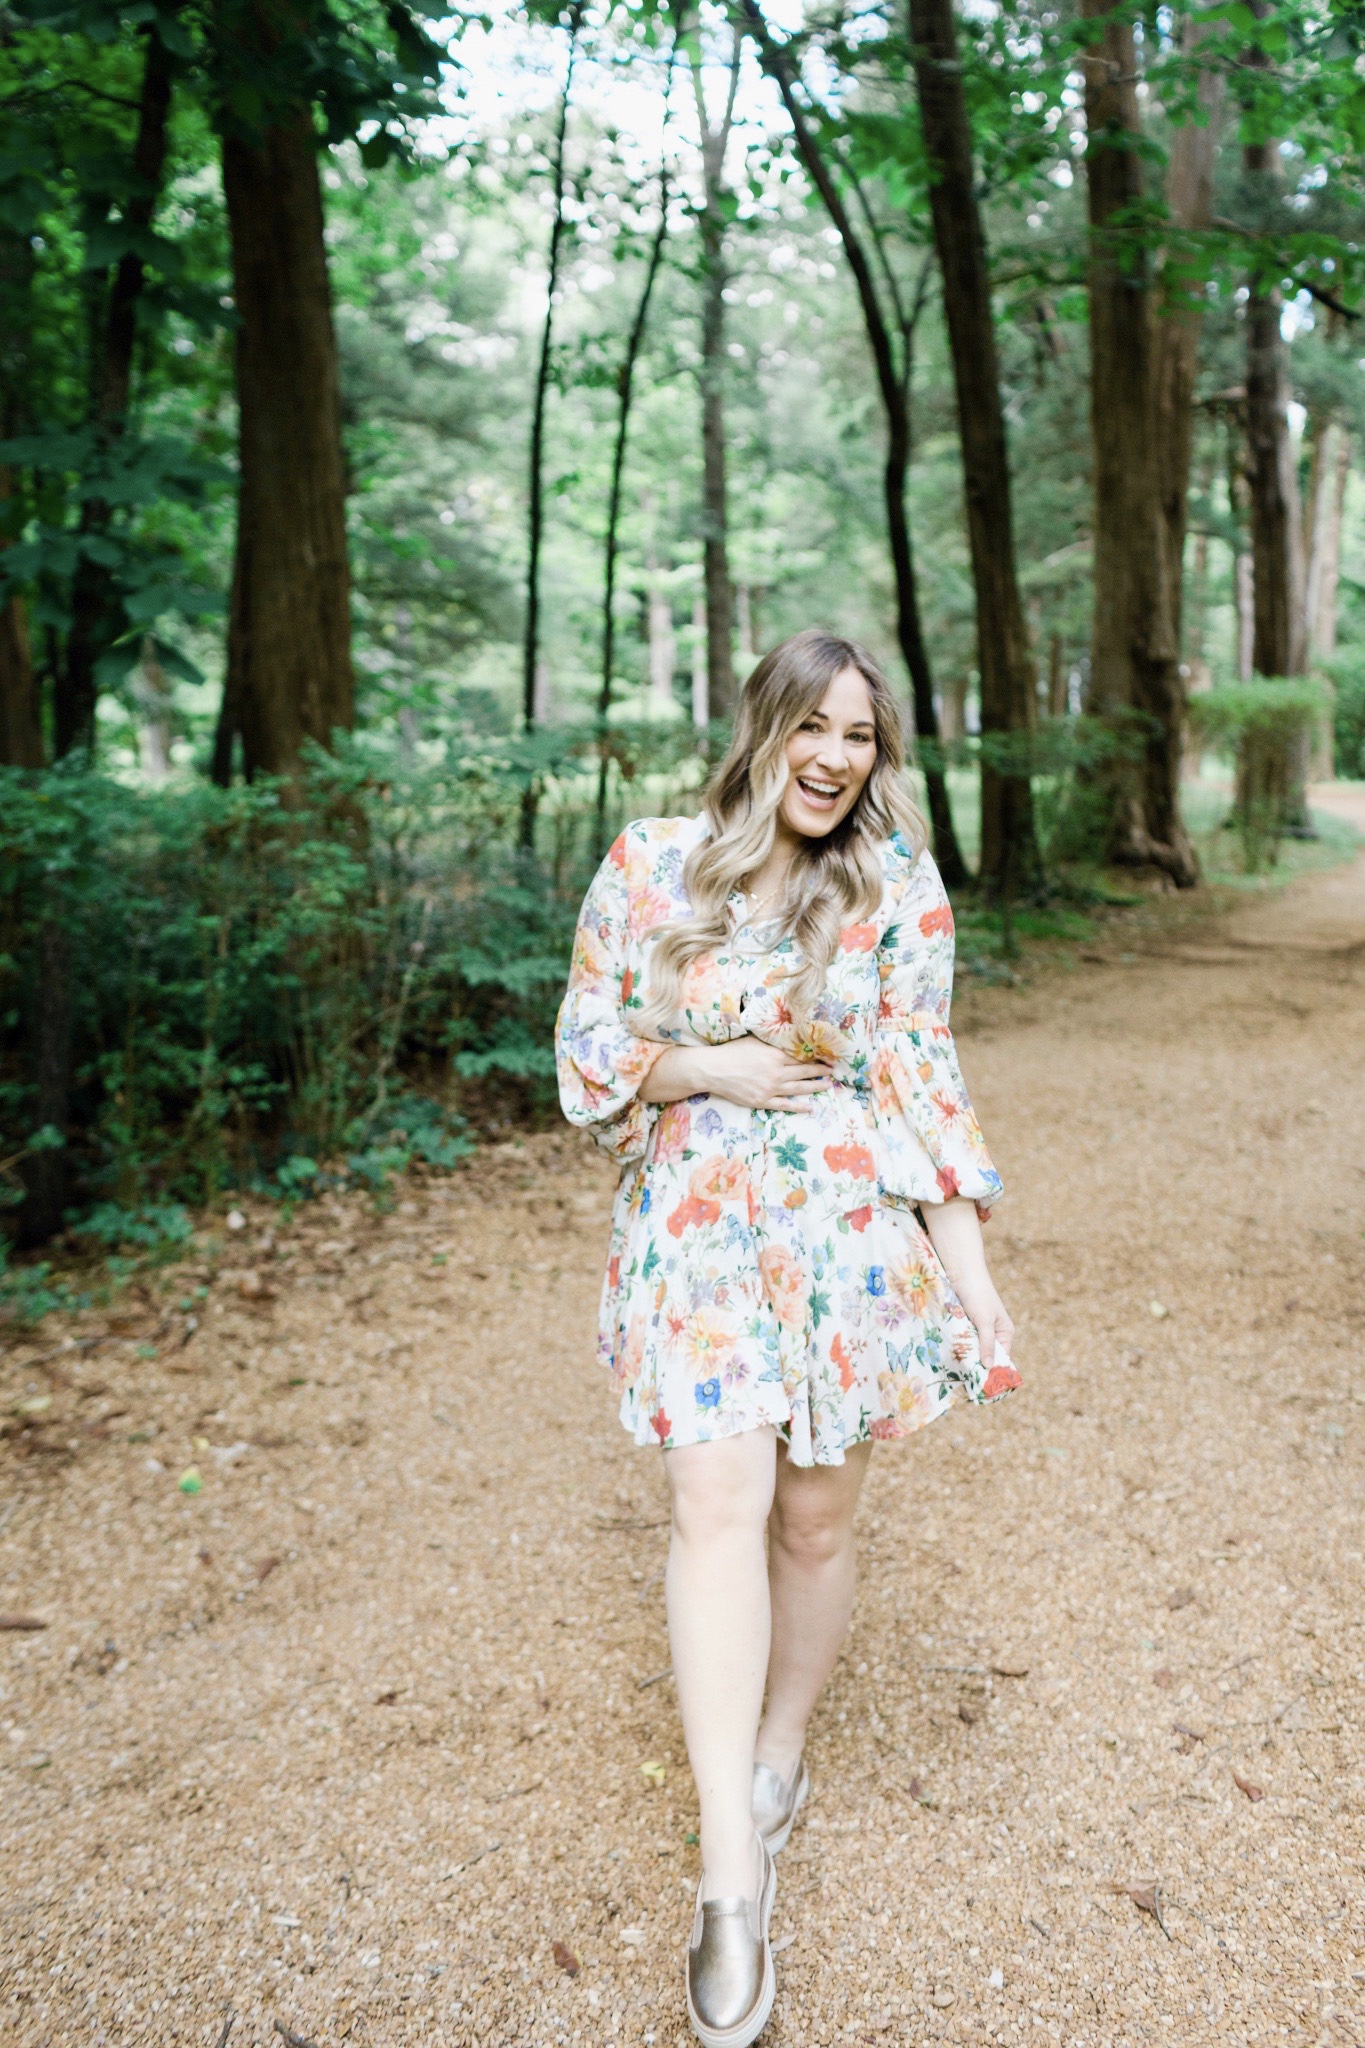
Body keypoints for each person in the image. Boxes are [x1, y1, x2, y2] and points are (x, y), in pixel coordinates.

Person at [556, 628, 1019, 2048]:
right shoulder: (650, 863)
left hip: (841, 1242)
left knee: (812, 1526)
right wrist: (703, 1065)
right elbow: (585, 1046)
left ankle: (779, 1745)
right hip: (691, 1224)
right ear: (762, 729)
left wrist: (975, 1282)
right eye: (812, 727)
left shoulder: (893, 888)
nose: (832, 758)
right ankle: (729, 1876)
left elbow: (919, 1084)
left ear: (879, 757)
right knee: (716, 1503)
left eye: (860, 737)